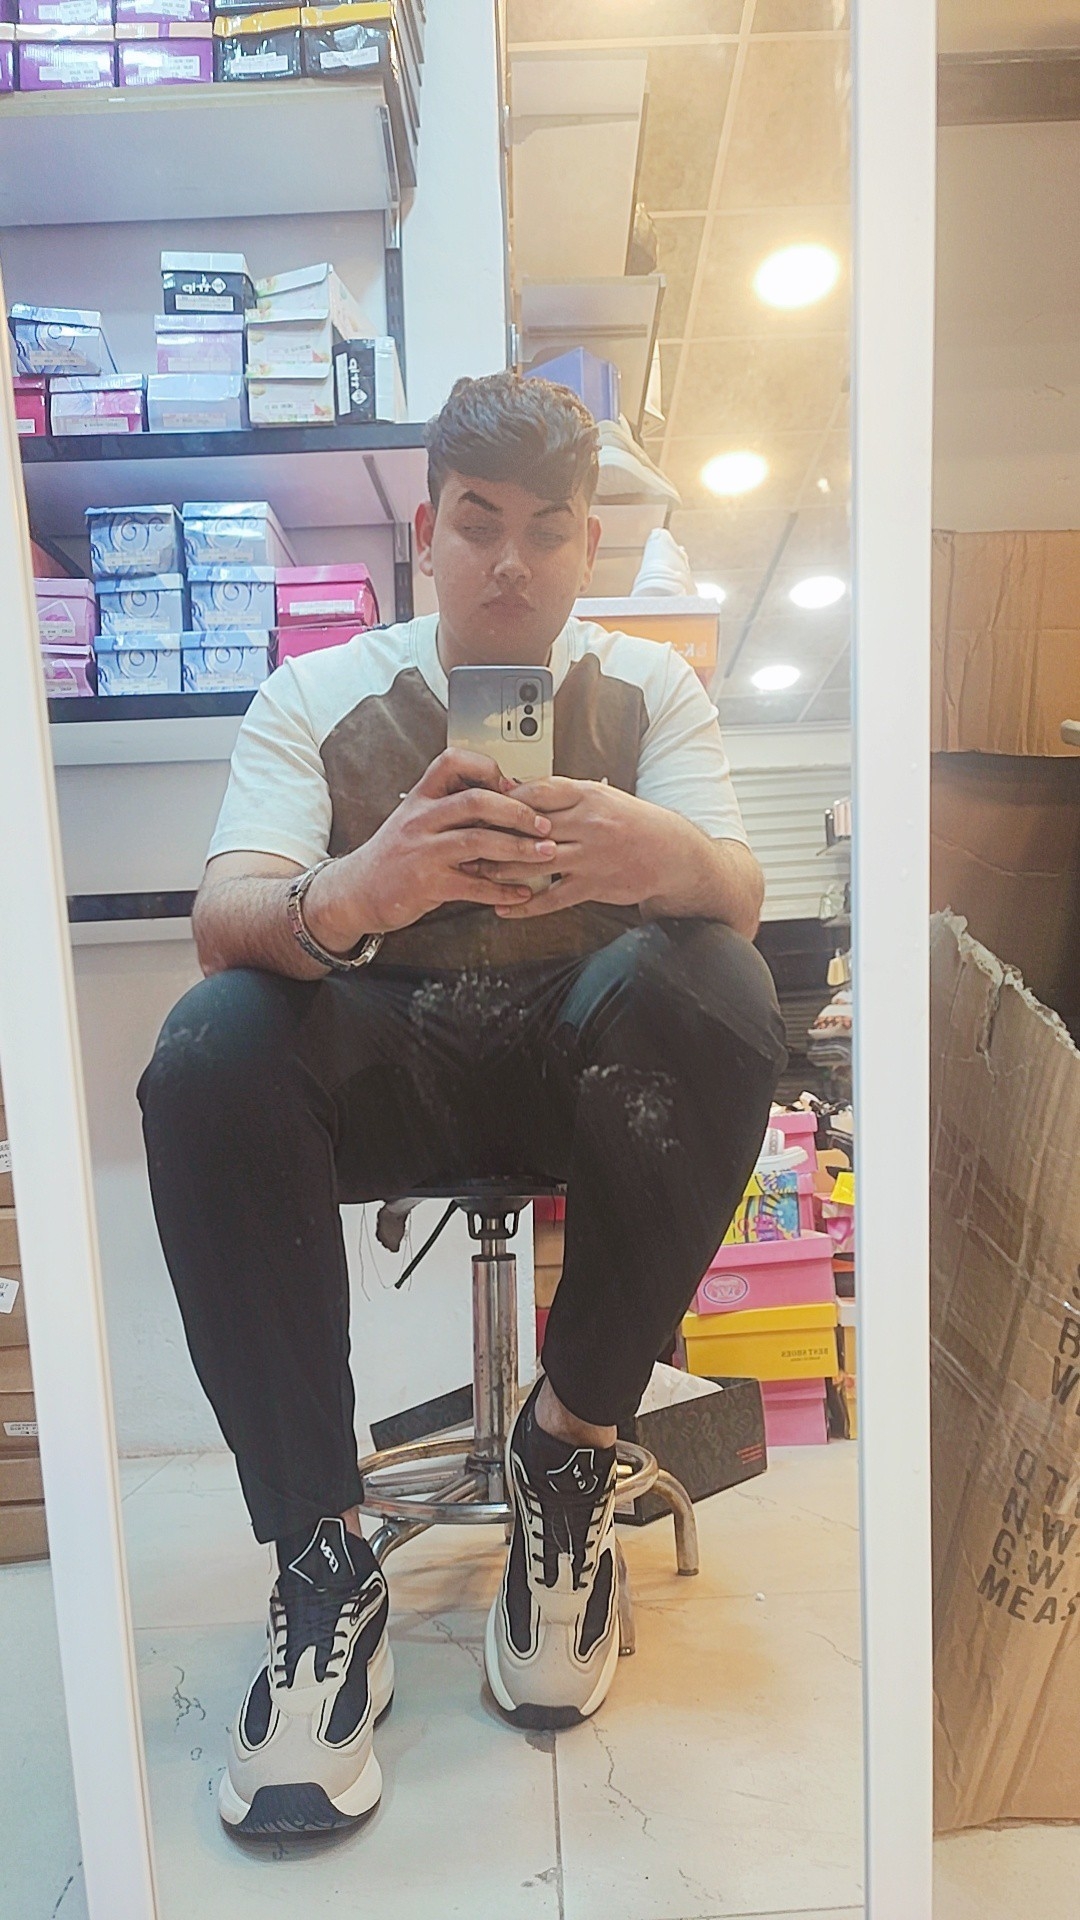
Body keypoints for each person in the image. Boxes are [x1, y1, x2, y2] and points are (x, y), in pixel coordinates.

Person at [138, 371, 787, 1841]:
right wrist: (359, 891)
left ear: (590, 547)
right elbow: (225, 912)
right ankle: (322, 1557)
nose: (511, 563)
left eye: (548, 530)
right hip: (392, 1070)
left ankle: (568, 1450)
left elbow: (742, 895)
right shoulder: (319, 694)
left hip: (588, 1076)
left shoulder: (649, 689)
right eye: (479, 524)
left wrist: (658, 857)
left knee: (719, 981)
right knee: (209, 1044)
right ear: (427, 533)